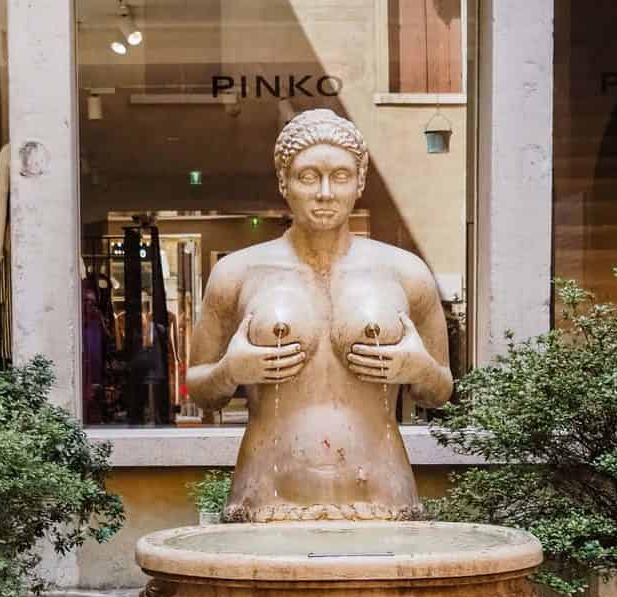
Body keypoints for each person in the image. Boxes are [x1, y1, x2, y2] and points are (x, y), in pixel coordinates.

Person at [187, 109, 453, 521]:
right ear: (284, 183)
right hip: (266, 496)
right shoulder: (237, 273)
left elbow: (439, 392)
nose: (325, 192)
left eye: (341, 176)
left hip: (382, 493)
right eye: (309, 177)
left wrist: (419, 369)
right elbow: (202, 389)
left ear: (360, 183)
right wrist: (230, 371)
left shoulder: (405, 273)